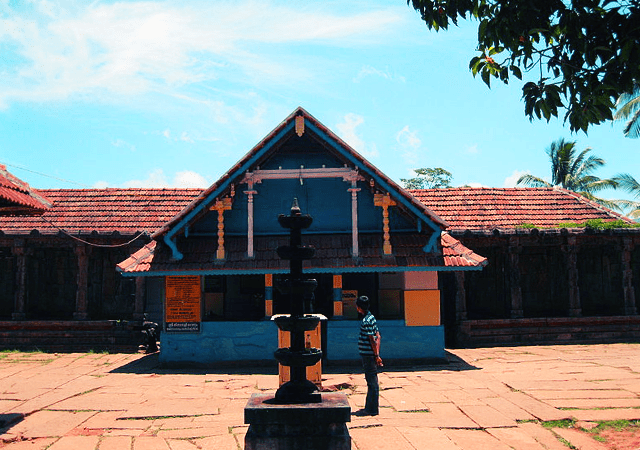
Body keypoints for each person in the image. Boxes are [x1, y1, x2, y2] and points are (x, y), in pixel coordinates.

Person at [355, 295, 383, 416]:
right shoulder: (372, 318)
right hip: (372, 354)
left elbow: (372, 339)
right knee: (372, 381)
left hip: (368, 355)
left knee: (371, 381)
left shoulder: (366, 321)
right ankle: (371, 407)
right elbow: (378, 336)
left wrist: (375, 355)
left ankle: (371, 409)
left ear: (359, 307)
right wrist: (377, 354)